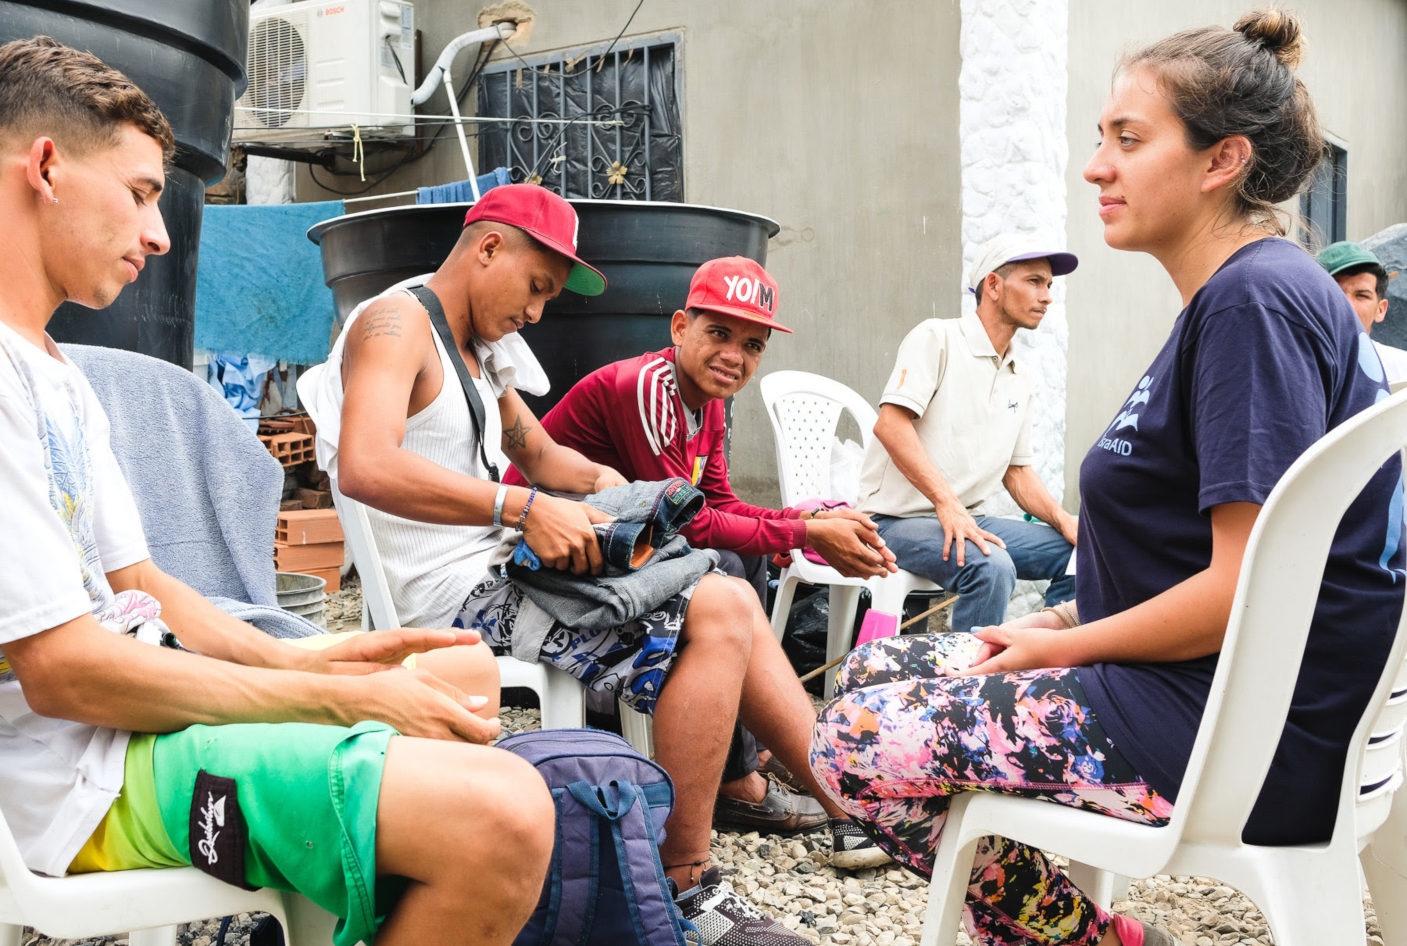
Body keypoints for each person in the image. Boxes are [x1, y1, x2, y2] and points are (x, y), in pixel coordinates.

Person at [0, 38, 553, 946]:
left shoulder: (42, 365)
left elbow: (143, 587)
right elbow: (64, 673)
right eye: (141, 192)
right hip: (70, 783)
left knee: (463, 671)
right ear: (44, 167)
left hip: (113, 729)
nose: (159, 233)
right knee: (507, 816)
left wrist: (306, 663)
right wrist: (335, 701)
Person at [812, 10, 1404, 946]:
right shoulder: (1245, 299)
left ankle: (1082, 942)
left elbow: (1245, 587)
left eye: (1128, 139)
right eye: (1102, 139)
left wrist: (1063, 650)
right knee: (875, 668)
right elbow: (1192, 555)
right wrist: (1060, 619)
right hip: (1206, 692)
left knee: (848, 740)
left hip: (1228, 733)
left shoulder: (1254, 304)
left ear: (1222, 161)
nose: (1096, 167)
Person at [303, 182, 849, 944]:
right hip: (450, 597)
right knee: (720, 601)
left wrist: (612, 491)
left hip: (502, 571)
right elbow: (363, 464)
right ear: (489, 246)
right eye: (536, 288)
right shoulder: (395, 324)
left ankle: (841, 803)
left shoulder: (482, 356)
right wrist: (520, 508)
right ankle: (694, 881)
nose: (536, 313)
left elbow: (543, 455)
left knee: (716, 584)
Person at [505, 255, 897, 860]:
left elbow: (719, 501)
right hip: (557, 548)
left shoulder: (708, 400)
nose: (734, 356)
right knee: (729, 564)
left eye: (752, 345)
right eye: (719, 334)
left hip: (623, 538)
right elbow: (691, 522)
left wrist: (810, 523)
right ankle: (738, 776)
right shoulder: (647, 390)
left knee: (751, 558)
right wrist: (807, 533)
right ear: (680, 327)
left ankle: (746, 747)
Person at [857, 231, 1079, 634]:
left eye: (1049, 284)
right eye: (1034, 281)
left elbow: (1017, 471)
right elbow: (891, 425)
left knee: (1086, 555)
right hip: (892, 521)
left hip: (968, 520)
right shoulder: (937, 338)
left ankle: (1046, 670)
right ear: (993, 285)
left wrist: (1064, 520)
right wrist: (947, 503)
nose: (1047, 296)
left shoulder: (1021, 375)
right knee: (991, 564)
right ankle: (967, 690)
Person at [1316, 240, 1407, 383]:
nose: (1348, 306)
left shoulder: (1402, 372)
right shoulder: (1290, 368)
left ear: (1380, 310)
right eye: (1335, 293)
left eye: (1362, 295)